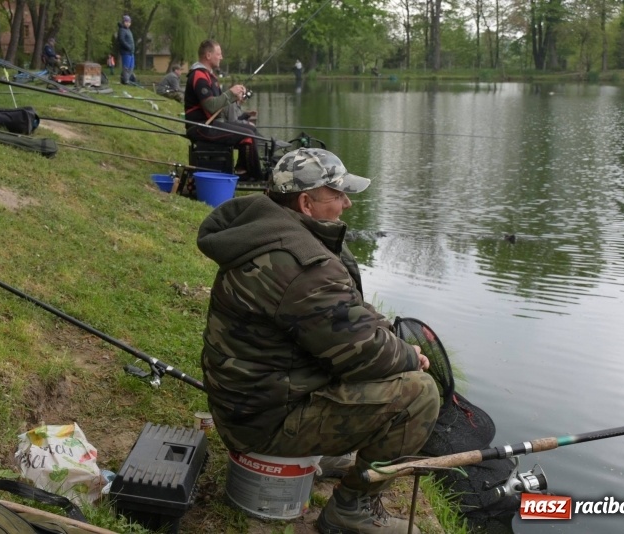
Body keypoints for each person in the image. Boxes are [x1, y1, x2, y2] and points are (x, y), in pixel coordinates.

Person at [196, 148, 440, 534]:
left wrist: (388, 337)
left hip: (248, 403)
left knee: (383, 364)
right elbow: (364, 353)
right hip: (262, 423)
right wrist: (409, 356)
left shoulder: (266, 232)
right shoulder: (301, 264)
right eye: (337, 194)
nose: (347, 204)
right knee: (420, 395)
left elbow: (347, 311)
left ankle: (321, 452)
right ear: (306, 203)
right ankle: (352, 509)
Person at [184, 39, 262, 180]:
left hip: (211, 124)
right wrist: (230, 93)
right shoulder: (198, 75)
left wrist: (235, 99)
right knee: (248, 136)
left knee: (251, 129)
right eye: (218, 54)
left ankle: (242, 169)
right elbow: (211, 106)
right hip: (200, 127)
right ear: (208, 55)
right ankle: (255, 176)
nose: (221, 57)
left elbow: (219, 106)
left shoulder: (210, 76)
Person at [118, 15, 135, 84]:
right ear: (123, 22)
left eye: (129, 22)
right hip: (126, 52)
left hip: (131, 52)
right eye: (126, 22)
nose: (128, 23)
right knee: (126, 67)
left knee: (131, 67)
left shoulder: (128, 30)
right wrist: (128, 47)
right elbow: (121, 40)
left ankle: (128, 79)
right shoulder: (122, 30)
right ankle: (125, 80)